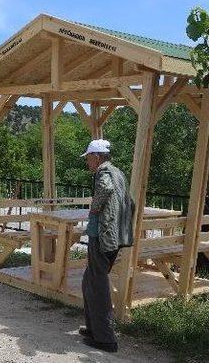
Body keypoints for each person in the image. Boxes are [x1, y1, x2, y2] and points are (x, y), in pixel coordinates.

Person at [80, 139, 134, 353]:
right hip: (116, 236)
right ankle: (94, 327)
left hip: (102, 237)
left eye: (88, 158)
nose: (87, 163)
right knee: (89, 280)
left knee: (98, 285)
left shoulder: (104, 174)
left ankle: (105, 339)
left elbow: (105, 189)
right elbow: (131, 203)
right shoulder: (118, 173)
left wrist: (94, 208)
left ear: (97, 156)